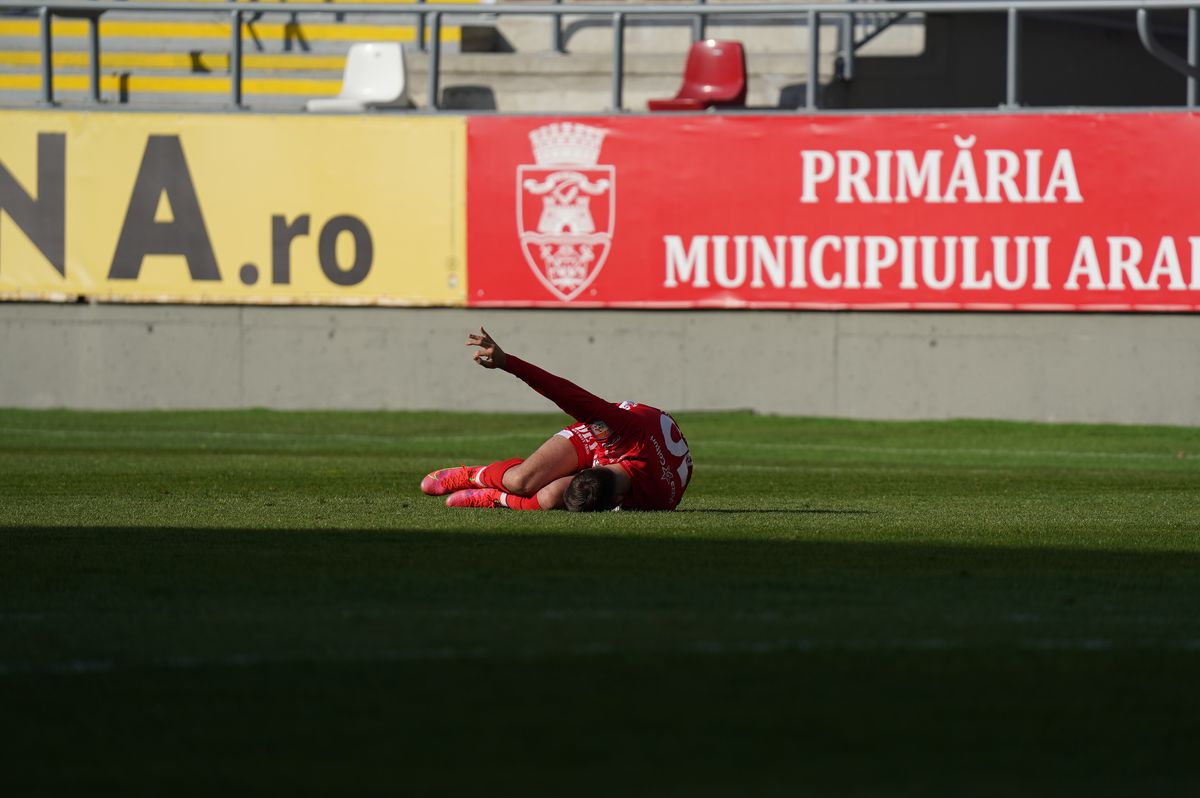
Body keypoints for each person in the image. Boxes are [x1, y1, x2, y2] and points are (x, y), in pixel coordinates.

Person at [421, 328, 693, 512]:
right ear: (586, 468)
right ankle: (474, 475)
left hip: (641, 458)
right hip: (625, 435)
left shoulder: (656, 498)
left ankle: (495, 497)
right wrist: (507, 362)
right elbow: (563, 392)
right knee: (522, 481)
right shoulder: (614, 428)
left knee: (551, 497)